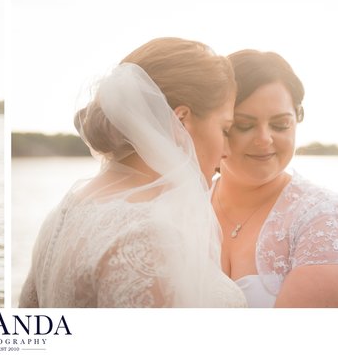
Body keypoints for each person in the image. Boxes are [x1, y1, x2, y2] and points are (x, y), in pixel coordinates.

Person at [18, 38, 245, 308]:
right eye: (225, 129)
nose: (227, 151)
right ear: (181, 122)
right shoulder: (148, 237)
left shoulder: (63, 213)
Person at [213, 50, 338, 307]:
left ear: (297, 119)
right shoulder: (182, 205)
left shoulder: (327, 219)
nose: (264, 139)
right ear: (217, 124)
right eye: (244, 125)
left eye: (280, 125)